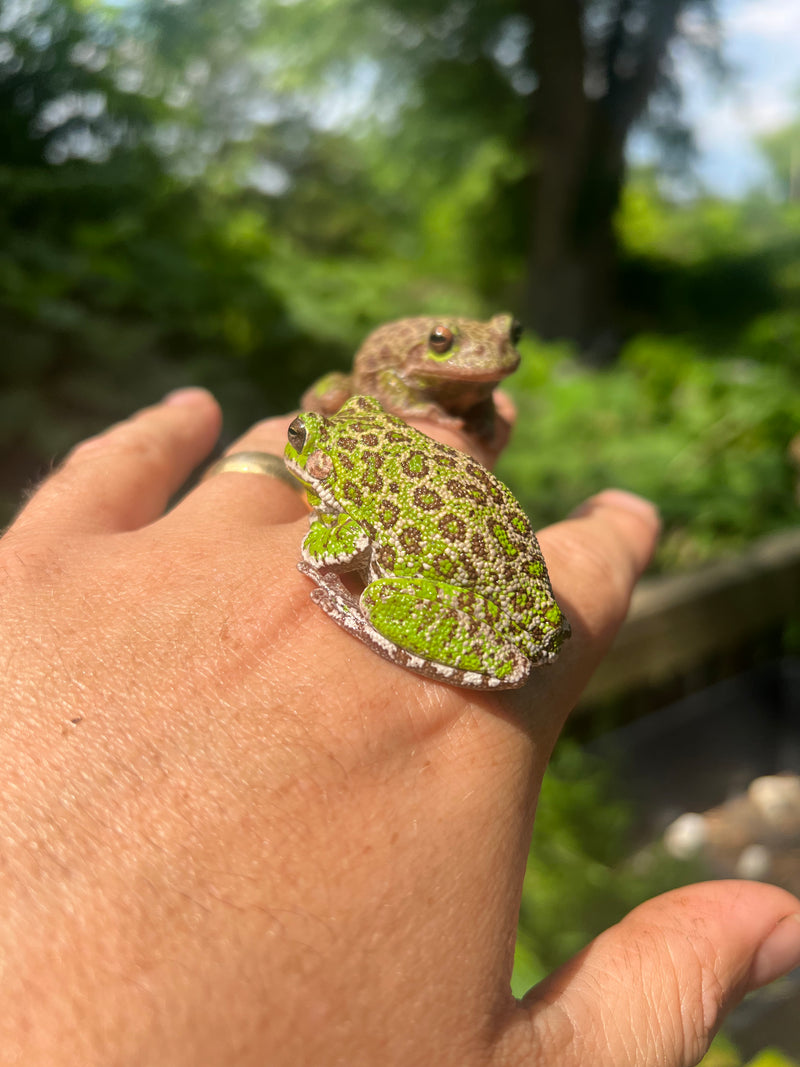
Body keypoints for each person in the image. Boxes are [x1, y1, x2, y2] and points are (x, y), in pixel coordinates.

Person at [1, 386, 798, 1066]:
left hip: (475, 611)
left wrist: (325, 565)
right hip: (522, 590)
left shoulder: (340, 482)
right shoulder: (380, 452)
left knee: (371, 590)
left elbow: (333, 549)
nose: (303, 441)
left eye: (307, 442)